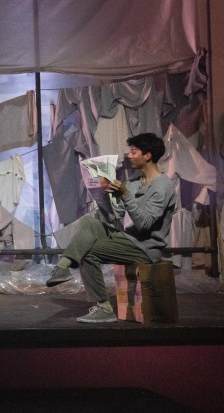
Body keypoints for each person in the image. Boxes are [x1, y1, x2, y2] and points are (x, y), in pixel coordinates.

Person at [45, 132, 178, 323]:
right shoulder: (134, 181)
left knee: (88, 252)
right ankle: (62, 267)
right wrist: (103, 197)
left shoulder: (162, 186)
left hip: (146, 247)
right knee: (89, 222)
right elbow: (115, 217)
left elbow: (145, 224)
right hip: (129, 239)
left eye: (134, 152)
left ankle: (104, 308)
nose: (129, 156)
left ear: (148, 155)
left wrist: (125, 195)